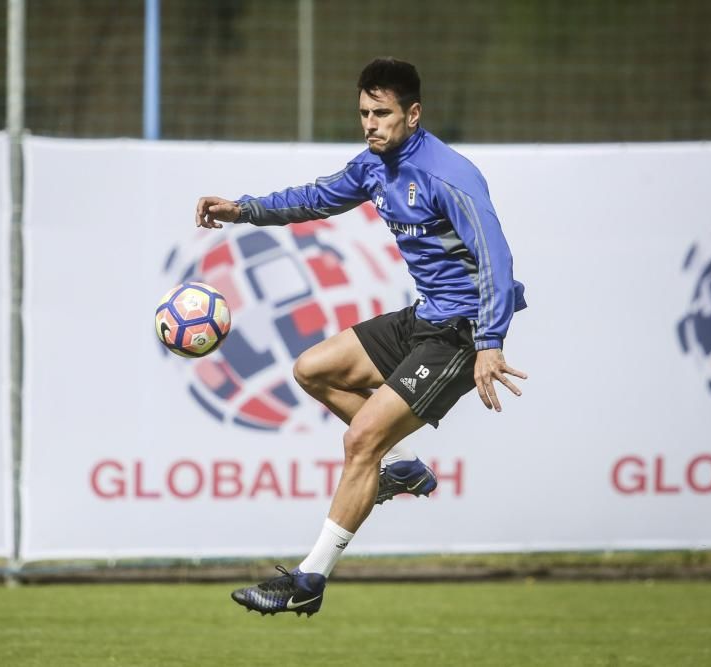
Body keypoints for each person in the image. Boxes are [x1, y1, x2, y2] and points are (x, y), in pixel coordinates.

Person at [194, 57, 528, 617]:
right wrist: (242, 209)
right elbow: (316, 197)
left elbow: (496, 256)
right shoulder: (375, 166)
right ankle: (404, 466)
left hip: (461, 333)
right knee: (312, 369)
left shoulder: (449, 174)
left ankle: (309, 580)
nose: (370, 124)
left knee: (359, 442)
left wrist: (490, 341)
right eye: (363, 113)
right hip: (424, 318)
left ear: (413, 114)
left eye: (382, 113)